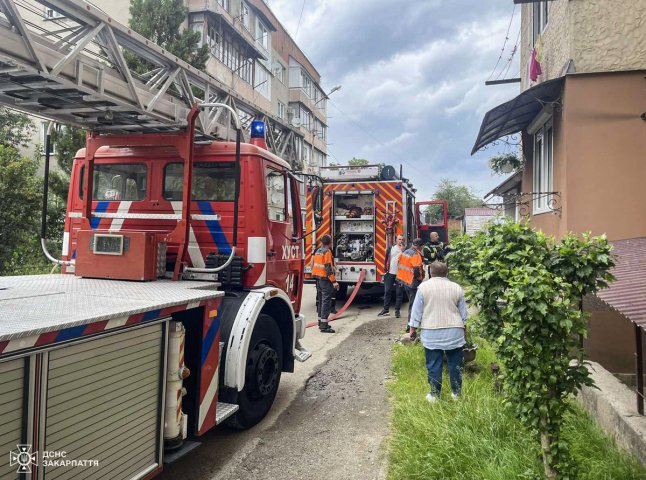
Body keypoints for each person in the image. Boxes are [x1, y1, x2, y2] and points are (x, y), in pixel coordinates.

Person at [408, 261, 468, 402]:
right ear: (446, 273)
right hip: (455, 332)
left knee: (434, 364)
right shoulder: (456, 288)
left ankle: (435, 395)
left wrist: (412, 329)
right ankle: (456, 394)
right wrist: (464, 328)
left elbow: (416, 311)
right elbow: (463, 315)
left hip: (431, 332)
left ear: (430, 273)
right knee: (456, 365)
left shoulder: (423, 288)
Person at [311, 235, 339, 333]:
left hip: (318, 279)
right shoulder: (327, 252)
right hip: (325, 280)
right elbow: (327, 268)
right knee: (326, 302)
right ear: (329, 243)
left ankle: (320, 322)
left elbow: (315, 265)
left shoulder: (318, 251)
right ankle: (324, 326)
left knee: (321, 301)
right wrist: (334, 281)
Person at [396, 238, 425, 330]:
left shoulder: (405, 252)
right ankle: (410, 326)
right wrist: (419, 279)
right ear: (420, 246)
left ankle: (411, 324)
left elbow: (399, 263)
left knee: (411, 303)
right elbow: (416, 269)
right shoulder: (416, 254)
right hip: (412, 282)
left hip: (404, 281)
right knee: (413, 305)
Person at [377, 234, 405, 318]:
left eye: (402, 239)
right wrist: (385, 270)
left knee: (399, 293)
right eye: (399, 239)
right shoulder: (390, 248)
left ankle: (397, 311)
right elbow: (386, 259)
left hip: (400, 275)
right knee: (387, 291)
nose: (401, 241)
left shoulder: (405, 250)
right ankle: (386, 310)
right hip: (390, 273)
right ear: (395, 240)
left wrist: (403, 251)